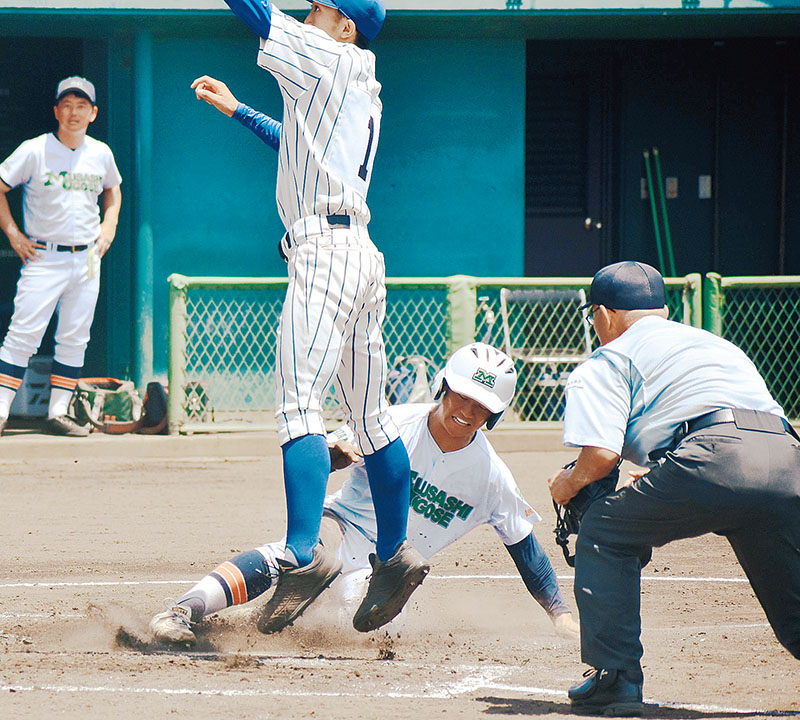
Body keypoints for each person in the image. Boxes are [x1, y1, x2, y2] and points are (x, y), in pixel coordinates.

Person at [194, 0, 427, 635]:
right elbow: (300, 143)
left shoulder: (326, 53)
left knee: (300, 407)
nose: (310, 11)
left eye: (321, 7)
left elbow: (255, 12)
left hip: (323, 253)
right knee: (372, 420)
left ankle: (301, 553)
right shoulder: (355, 75)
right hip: (360, 254)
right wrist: (240, 111)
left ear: (345, 24)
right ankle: (395, 553)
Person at [150, 342, 580, 645]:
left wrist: (559, 613)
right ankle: (182, 610)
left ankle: (249, 622)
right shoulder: (389, 423)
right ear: (444, 386)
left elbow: (526, 550)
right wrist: (334, 453)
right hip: (339, 527)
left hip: (386, 574)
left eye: (481, 405)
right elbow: (322, 458)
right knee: (294, 554)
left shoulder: (492, 478)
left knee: (361, 627)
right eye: (462, 395)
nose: (467, 411)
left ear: (495, 414)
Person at [547, 261, 800, 716]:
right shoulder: (714, 344)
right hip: (786, 456)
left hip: (715, 459)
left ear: (602, 314)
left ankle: (616, 679)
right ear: (661, 310)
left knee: (605, 531)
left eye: (593, 318)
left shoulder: (609, 357)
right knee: (794, 612)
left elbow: (600, 457)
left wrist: (565, 485)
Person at [0, 76, 122, 438]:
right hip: (45, 255)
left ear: (93, 113)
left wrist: (109, 226)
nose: (73, 112)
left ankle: (58, 411)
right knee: (23, 333)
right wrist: (12, 234)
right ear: (56, 110)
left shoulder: (100, 152)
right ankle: (2, 409)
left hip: (86, 257)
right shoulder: (34, 149)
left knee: (75, 336)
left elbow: (113, 191)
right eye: (66, 105)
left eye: (81, 106)